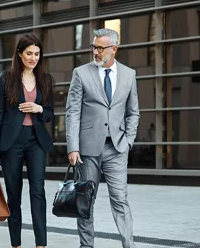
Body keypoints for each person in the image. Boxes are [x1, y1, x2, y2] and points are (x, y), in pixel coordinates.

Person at [66, 28, 140, 248]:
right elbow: (72, 112)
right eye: (93, 47)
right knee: (86, 201)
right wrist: (73, 147)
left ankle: (129, 245)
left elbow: (133, 112)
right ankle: (86, 246)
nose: (95, 52)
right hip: (87, 151)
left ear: (114, 49)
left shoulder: (129, 75)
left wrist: (128, 141)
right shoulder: (81, 73)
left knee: (120, 200)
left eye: (100, 48)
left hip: (117, 148)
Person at [0, 34, 54, 248]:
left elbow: (50, 113)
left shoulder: (46, 79)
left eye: (36, 54)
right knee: (14, 195)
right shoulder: (6, 78)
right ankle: (15, 244)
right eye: (29, 53)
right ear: (19, 54)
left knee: (38, 192)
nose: (33, 58)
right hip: (11, 143)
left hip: (36, 141)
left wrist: (39, 108)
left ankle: (41, 244)